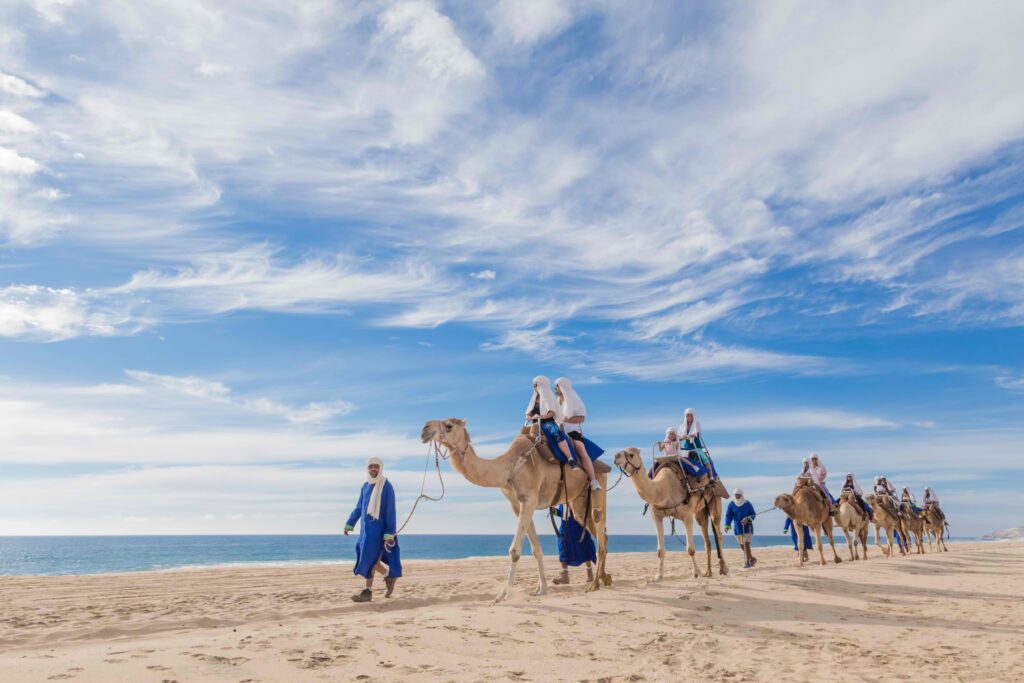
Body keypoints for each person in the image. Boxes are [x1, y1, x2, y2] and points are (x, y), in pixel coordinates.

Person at [344, 457, 402, 602]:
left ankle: (368, 591)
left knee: (370, 561)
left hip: (379, 531)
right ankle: (388, 576)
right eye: (371, 467)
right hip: (365, 532)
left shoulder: (387, 486)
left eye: (376, 466)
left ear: (380, 468)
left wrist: (389, 532)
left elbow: (390, 510)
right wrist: (349, 523)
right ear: (368, 469)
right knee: (370, 561)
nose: (373, 469)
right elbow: (359, 507)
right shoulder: (364, 486)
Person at [525, 376, 586, 479]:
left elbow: (552, 412)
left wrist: (540, 417)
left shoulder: (548, 396)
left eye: (535, 384)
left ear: (540, 385)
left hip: (546, 422)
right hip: (534, 424)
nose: (533, 387)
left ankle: (570, 458)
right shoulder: (534, 398)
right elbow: (528, 413)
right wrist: (530, 417)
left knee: (556, 433)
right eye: (533, 385)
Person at [554, 377, 602, 491]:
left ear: (563, 387)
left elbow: (581, 418)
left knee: (580, 448)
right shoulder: (556, 401)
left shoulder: (575, 400)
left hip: (573, 432)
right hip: (558, 431)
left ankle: (594, 480)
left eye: (557, 386)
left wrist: (565, 420)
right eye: (555, 386)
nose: (555, 388)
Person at [552, 505, 596, 585]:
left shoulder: (576, 498)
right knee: (563, 549)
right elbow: (561, 514)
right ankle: (565, 576)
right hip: (565, 529)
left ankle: (590, 574)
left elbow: (583, 512)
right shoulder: (562, 501)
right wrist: (554, 511)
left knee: (584, 548)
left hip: (578, 527)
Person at [679, 408, 718, 479]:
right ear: (685, 416)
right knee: (679, 457)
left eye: (691, 415)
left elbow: (697, 434)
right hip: (687, 447)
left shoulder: (697, 424)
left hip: (696, 446)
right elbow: (679, 436)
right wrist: (682, 437)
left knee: (704, 458)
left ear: (693, 416)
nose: (689, 417)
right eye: (688, 416)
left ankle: (711, 475)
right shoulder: (682, 426)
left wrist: (689, 436)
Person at [725, 488, 757, 569]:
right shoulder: (732, 504)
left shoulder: (747, 503)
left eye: (739, 495)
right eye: (736, 495)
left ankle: (748, 562)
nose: (737, 496)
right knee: (742, 546)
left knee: (746, 544)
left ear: (742, 495)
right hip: (737, 528)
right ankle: (752, 559)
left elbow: (753, 514)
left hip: (747, 528)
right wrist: (727, 525)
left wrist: (747, 519)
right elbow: (729, 515)